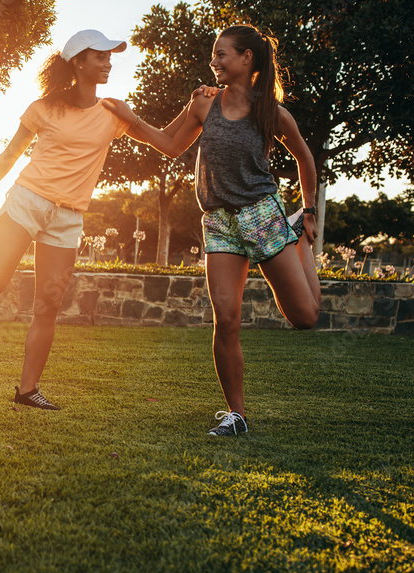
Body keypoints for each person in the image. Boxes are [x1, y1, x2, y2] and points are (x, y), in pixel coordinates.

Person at [0, 29, 214, 410]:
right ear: (78, 61)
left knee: (49, 303)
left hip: (69, 217)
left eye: (110, 57)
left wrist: (192, 105)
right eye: (100, 56)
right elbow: (9, 155)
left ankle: (27, 391)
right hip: (28, 201)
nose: (108, 62)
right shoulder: (44, 108)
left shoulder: (113, 112)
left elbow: (168, 143)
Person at [99, 24, 321, 435]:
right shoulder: (204, 105)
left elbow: (306, 160)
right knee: (227, 319)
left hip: (262, 214)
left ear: (246, 59)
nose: (213, 61)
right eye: (213, 55)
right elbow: (168, 143)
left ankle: (299, 243)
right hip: (219, 222)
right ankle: (236, 415)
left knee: (305, 317)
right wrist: (130, 119)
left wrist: (308, 212)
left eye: (221, 54)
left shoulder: (270, 112)